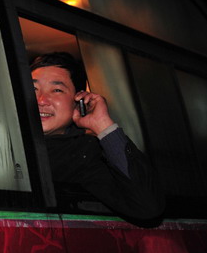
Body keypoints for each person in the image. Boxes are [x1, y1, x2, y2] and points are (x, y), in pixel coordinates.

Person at [31, 52, 164, 220]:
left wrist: (102, 125)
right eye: (32, 88)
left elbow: (146, 206)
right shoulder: (1, 140)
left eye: (57, 90)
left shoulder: (83, 155)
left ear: (77, 101)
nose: (41, 100)